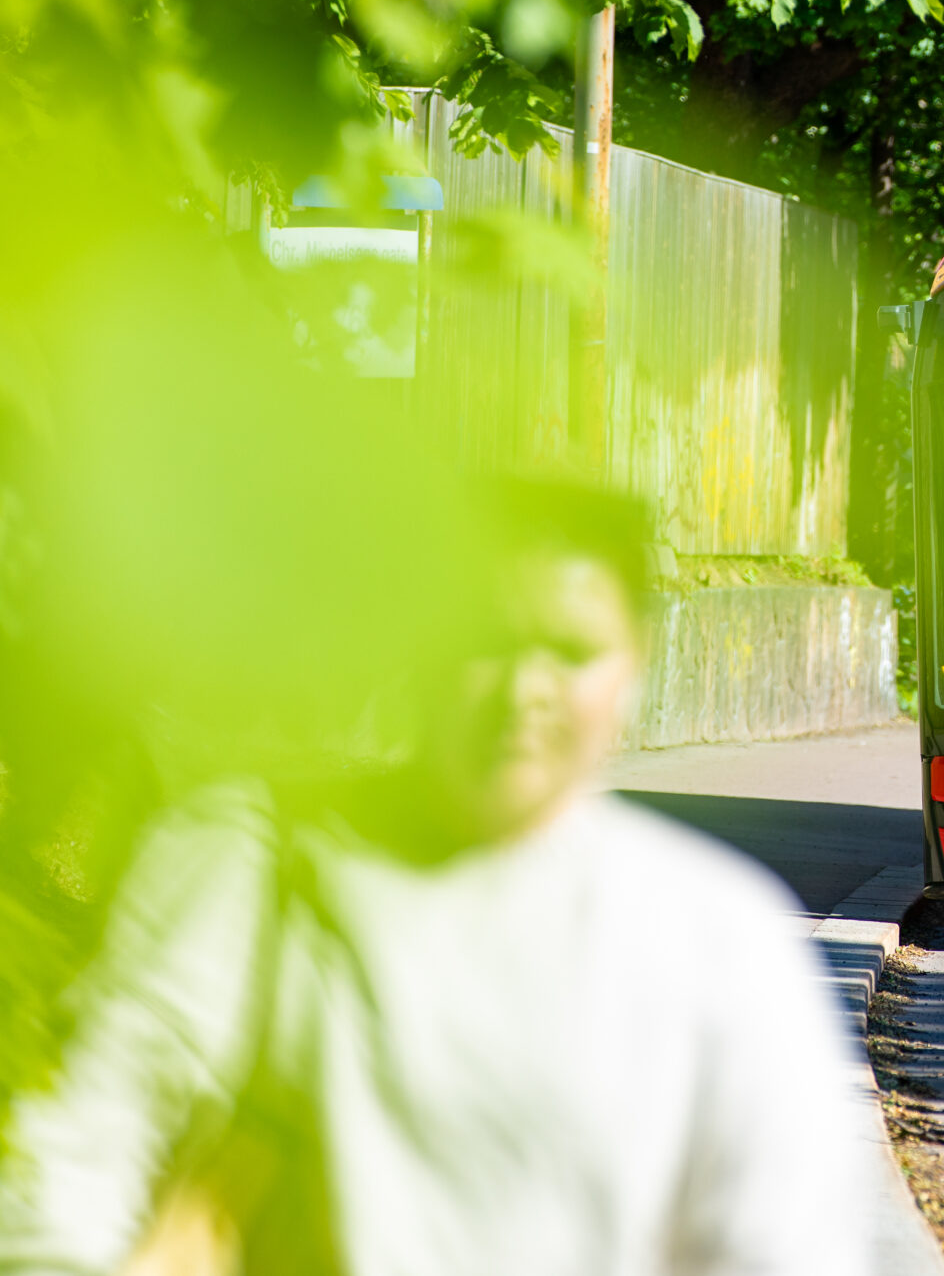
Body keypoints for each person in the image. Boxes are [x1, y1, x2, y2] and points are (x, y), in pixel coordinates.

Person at [0, 478, 869, 1275]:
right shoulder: (254, 860)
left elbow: (784, 1247)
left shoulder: (718, 937)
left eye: (568, 650)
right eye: (481, 641)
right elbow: (76, 1167)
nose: (522, 688)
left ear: (634, 662)